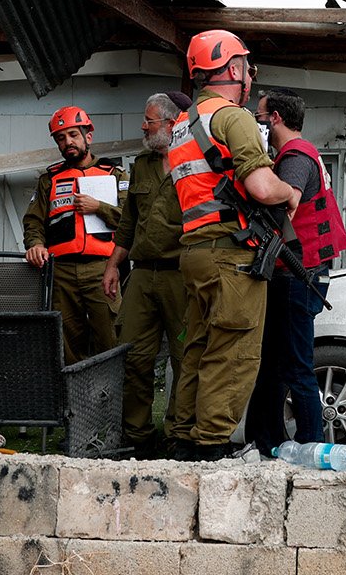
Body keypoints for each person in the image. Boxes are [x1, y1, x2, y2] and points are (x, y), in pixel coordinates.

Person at [168, 29, 299, 461]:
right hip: (230, 255)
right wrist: (289, 192)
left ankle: (184, 438)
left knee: (200, 349)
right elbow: (261, 187)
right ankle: (211, 447)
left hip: (195, 254)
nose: (249, 77)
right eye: (245, 66)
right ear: (233, 69)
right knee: (235, 352)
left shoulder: (181, 127)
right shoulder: (233, 117)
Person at [245, 87, 346, 456]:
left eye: (258, 115)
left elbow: (284, 203)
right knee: (276, 365)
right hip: (296, 274)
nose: (255, 121)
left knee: (296, 367)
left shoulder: (294, 158)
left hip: (295, 275)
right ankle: (268, 442)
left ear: (274, 117)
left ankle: (312, 447)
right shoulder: (303, 154)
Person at [102, 91, 190, 457]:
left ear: (171, 124)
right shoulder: (141, 164)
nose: (143, 126)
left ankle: (177, 436)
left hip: (182, 276)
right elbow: (129, 223)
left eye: (149, 120)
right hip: (142, 274)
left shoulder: (196, 161)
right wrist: (112, 265)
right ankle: (137, 437)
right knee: (134, 355)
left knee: (186, 360)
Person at [23, 106, 125, 364]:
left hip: (102, 269)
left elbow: (132, 220)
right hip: (62, 273)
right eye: (61, 138)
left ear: (87, 136)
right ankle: (75, 402)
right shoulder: (49, 179)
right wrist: (35, 244)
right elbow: (34, 220)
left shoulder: (113, 174)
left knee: (110, 339)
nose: (68, 142)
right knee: (67, 345)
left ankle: (112, 401)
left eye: (73, 135)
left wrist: (99, 208)